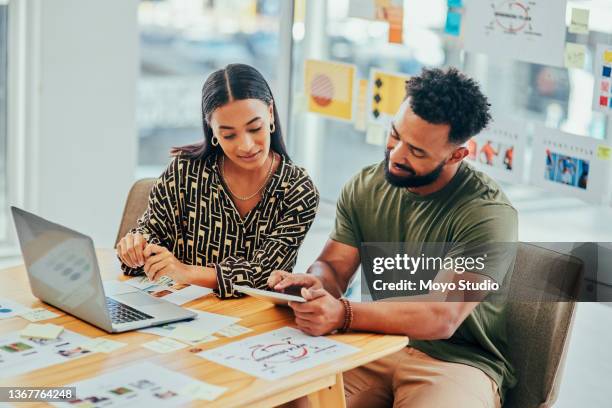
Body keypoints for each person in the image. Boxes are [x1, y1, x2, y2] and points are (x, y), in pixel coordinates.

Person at [270, 67, 517, 407]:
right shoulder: (365, 186)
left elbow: (441, 314)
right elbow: (333, 266)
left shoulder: (487, 213)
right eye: (395, 135)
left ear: (457, 154)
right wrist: (314, 286)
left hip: (456, 362)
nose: (397, 154)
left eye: (417, 152)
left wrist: (342, 313)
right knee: (282, 398)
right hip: (374, 343)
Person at [116, 63, 319, 298]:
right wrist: (136, 248)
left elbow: (264, 275)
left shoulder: (298, 190)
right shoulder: (184, 171)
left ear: (270, 113)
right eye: (229, 134)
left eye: (255, 128)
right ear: (211, 130)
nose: (246, 145)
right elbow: (151, 234)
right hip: (181, 312)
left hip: (255, 323)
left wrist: (185, 272)